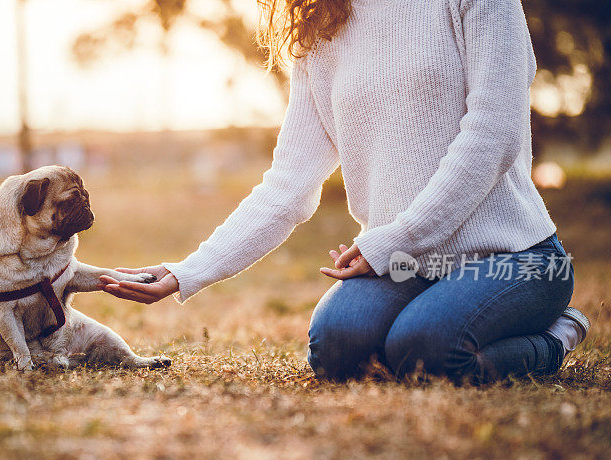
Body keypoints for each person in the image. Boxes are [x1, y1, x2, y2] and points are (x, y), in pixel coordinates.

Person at [100, 0, 590, 384]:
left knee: (428, 353)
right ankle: (432, 323)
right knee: (336, 347)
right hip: (405, 265)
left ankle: (555, 335)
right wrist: (187, 273)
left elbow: (494, 135)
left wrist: (395, 238)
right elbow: (287, 186)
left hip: (516, 259)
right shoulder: (320, 26)